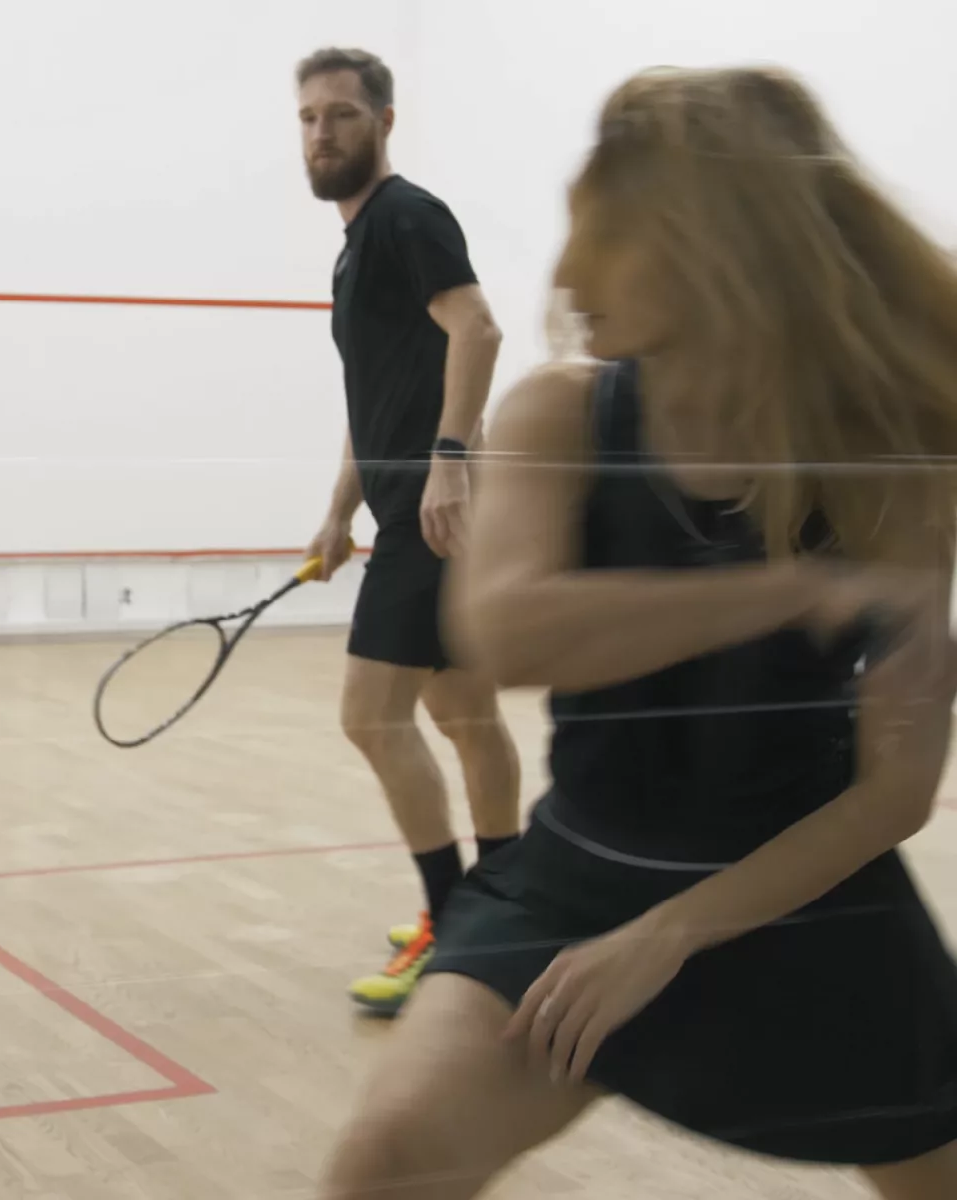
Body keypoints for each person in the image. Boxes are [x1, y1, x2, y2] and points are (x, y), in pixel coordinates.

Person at [319, 65, 957, 1199]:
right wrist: (790, 591)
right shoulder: (558, 412)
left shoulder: (887, 461)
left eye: (604, 236)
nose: (566, 275)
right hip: (580, 873)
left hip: (805, 889)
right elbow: (510, 630)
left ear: (718, 247)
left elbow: (896, 792)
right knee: (383, 1161)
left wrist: (668, 935)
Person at [296, 47, 523, 1014]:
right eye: (308, 118)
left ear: (384, 122)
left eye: (341, 116)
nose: (321, 134)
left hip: (438, 516)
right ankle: (510, 909)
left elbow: (478, 328)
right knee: (463, 716)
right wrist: (341, 507)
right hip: (405, 512)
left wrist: (450, 459)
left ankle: (458, 924)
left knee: (370, 716)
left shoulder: (407, 216)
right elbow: (374, 392)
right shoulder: (356, 248)